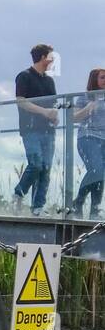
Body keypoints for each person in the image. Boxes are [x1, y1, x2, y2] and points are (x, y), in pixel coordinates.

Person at [13, 44, 60, 216]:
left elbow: (53, 103)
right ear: (42, 57)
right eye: (51, 56)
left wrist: (54, 116)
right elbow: (21, 101)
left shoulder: (49, 80)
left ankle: (38, 206)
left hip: (48, 130)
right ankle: (18, 194)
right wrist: (44, 112)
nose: (53, 59)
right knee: (36, 164)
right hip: (30, 129)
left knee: (46, 168)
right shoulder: (24, 76)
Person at [72, 68, 105, 218]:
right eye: (103, 77)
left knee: (100, 174)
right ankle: (78, 202)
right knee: (97, 170)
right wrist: (88, 108)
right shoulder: (85, 97)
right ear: (94, 80)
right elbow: (74, 117)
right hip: (88, 137)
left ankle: (94, 210)